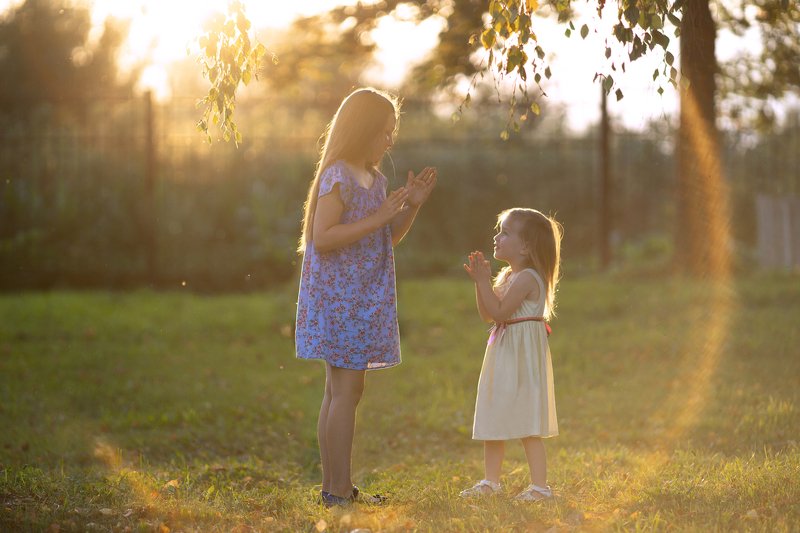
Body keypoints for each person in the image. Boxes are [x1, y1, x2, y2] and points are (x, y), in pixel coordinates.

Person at [294, 87, 437, 507]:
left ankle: (334, 488)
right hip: (339, 299)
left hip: (362, 300)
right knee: (346, 392)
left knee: (339, 393)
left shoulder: (375, 180)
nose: (390, 141)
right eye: (384, 132)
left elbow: (385, 238)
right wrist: (378, 215)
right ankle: (338, 490)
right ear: (362, 130)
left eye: (393, 132)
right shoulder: (338, 174)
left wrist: (410, 207)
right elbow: (323, 237)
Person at [460, 207, 562, 502]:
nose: (497, 236)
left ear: (526, 246)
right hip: (504, 351)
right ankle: (491, 482)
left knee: (527, 418)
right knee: (495, 411)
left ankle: (541, 488)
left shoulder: (529, 277)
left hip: (522, 357)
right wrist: (481, 283)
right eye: (498, 230)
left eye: (504, 232)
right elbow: (489, 315)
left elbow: (502, 311)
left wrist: (483, 282)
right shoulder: (508, 275)